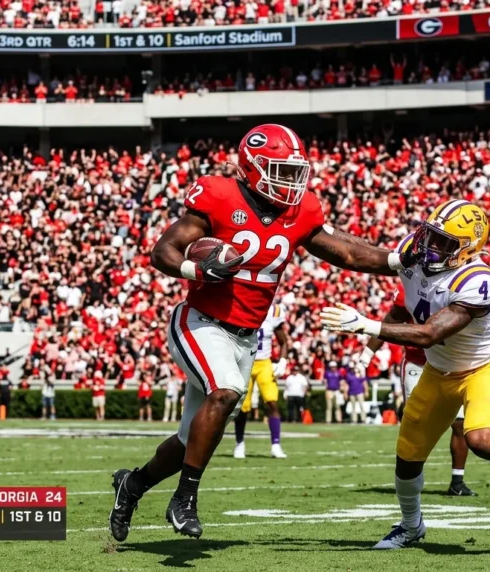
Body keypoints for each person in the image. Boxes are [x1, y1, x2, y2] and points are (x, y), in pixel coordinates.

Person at [109, 123, 411, 541]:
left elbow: (343, 250)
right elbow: (163, 250)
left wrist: (398, 259)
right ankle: (184, 500)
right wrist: (196, 268)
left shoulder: (301, 210)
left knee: (190, 438)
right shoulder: (219, 195)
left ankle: (134, 484)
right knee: (228, 391)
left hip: (246, 335)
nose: (289, 181)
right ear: (251, 167)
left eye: (294, 172)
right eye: (280, 170)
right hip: (199, 321)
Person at [319, 199, 490, 549]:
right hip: (437, 370)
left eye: (444, 242)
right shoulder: (413, 252)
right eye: (431, 234)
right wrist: (315, 231)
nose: (431, 245)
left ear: (466, 249)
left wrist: (367, 325)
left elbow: (430, 332)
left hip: (479, 368)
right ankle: (411, 527)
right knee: (407, 457)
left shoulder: (476, 279)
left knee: (481, 441)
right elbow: (364, 258)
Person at [361, 308, 477, 496]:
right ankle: (410, 478)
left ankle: (457, 481)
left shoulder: (456, 288)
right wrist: (368, 352)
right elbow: (390, 321)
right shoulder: (410, 287)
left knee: (460, 423)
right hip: (418, 362)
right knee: (414, 421)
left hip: (451, 363)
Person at [234, 303, 290, 459]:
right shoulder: (243, 306)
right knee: (243, 407)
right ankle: (239, 443)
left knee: (272, 401)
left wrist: (283, 360)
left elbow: (283, 340)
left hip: (264, 362)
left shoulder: (274, 311)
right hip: (245, 362)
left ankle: (276, 445)